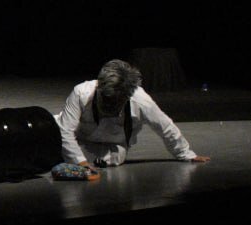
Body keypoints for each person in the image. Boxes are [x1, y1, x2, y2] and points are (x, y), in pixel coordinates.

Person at [56, 59, 210, 169]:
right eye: (106, 99)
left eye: (115, 102)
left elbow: (164, 126)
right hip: (78, 137)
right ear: (99, 88)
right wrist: (81, 163)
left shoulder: (140, 100)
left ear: (127, 97)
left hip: (110, 147)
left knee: (115, 156)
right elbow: (65, 130)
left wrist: (186, 154)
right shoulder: (82, 93)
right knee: (53, 133)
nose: (109, 106)